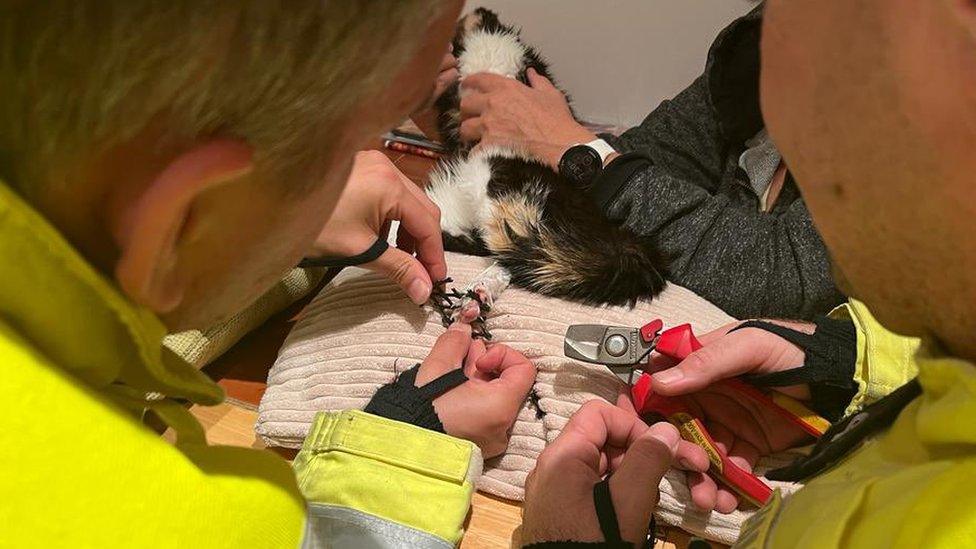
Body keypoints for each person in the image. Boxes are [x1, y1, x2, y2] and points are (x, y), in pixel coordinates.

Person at [0, 2, 554, 547]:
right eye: (350, 152)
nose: (368, 167)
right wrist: (408, 438)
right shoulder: (183, 524)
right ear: (184, 223)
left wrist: (267, 236)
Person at [520, 0, 976, 546]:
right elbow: (639, 167)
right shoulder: (752, 54)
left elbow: (777, 270)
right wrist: (837, 363)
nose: (779, 102)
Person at [457, 7, 844, 320]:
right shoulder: (757, 48)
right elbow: (637, 171)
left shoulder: (888, 105)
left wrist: (578, 151)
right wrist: (519, 128)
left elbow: (785, 282)